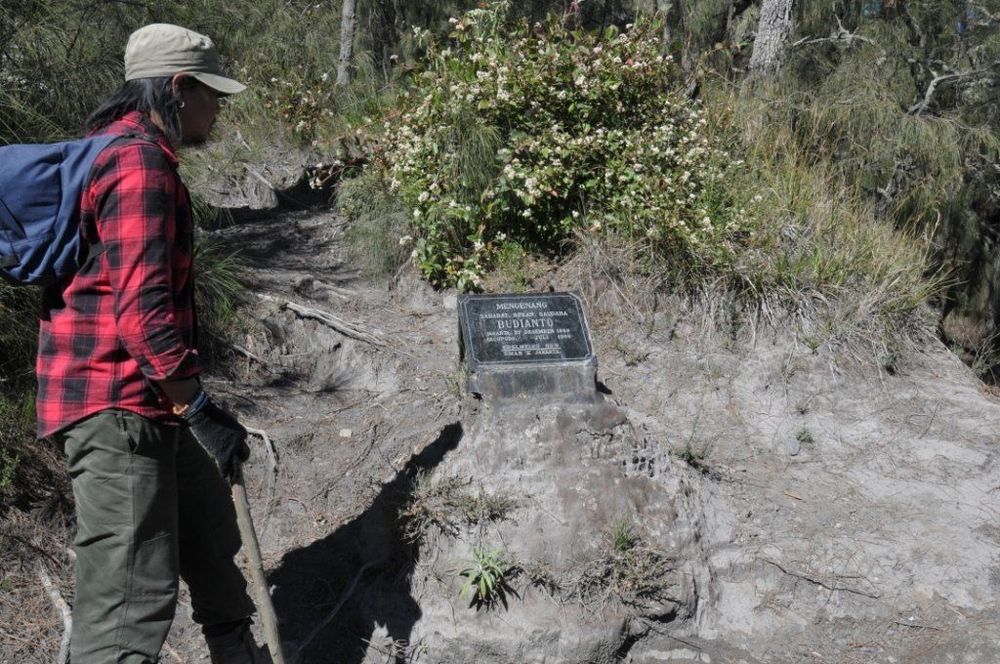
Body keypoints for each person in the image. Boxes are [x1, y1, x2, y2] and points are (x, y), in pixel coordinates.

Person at [36, 23, 270, 664]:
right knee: (128, 603)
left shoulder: (107, 150)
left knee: (208, 530)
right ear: (176, 88)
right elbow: (142, 317)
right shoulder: (137, 164)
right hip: (115, 403)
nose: (219, 108)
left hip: (145, 396)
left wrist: (193, 411)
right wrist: (199, 407)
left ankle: (236, 648)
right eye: (211, 94)